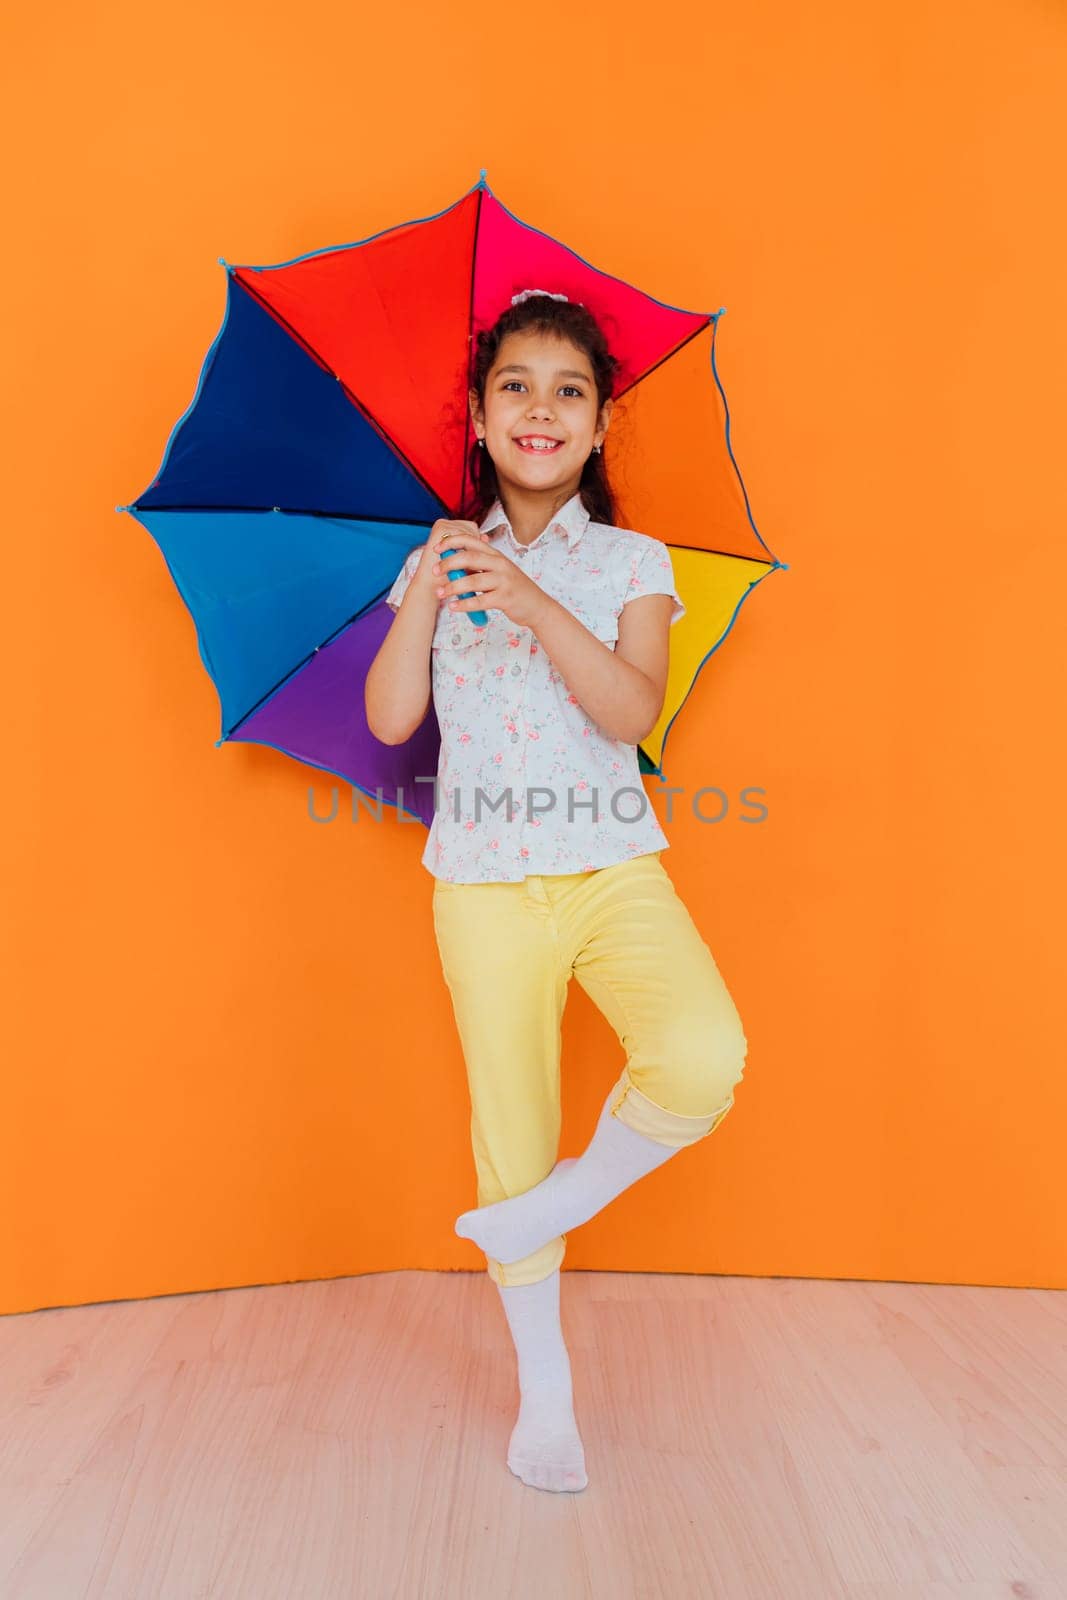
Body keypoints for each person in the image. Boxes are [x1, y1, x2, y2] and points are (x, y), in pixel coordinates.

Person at [365, 289, 748, 1495]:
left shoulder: (631, 561)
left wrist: (530, 600)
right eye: (515, 387)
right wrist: (432, 584)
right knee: (510, 1137)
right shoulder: (433, 557)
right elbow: (389, 721)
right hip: (479, 887)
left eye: (567, 391)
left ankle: (557, 1206)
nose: (541, 408)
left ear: (597, 424)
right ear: (478, 418)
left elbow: (633, 711)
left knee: (700, 1054)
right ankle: (546, 1397)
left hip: (608, 867)